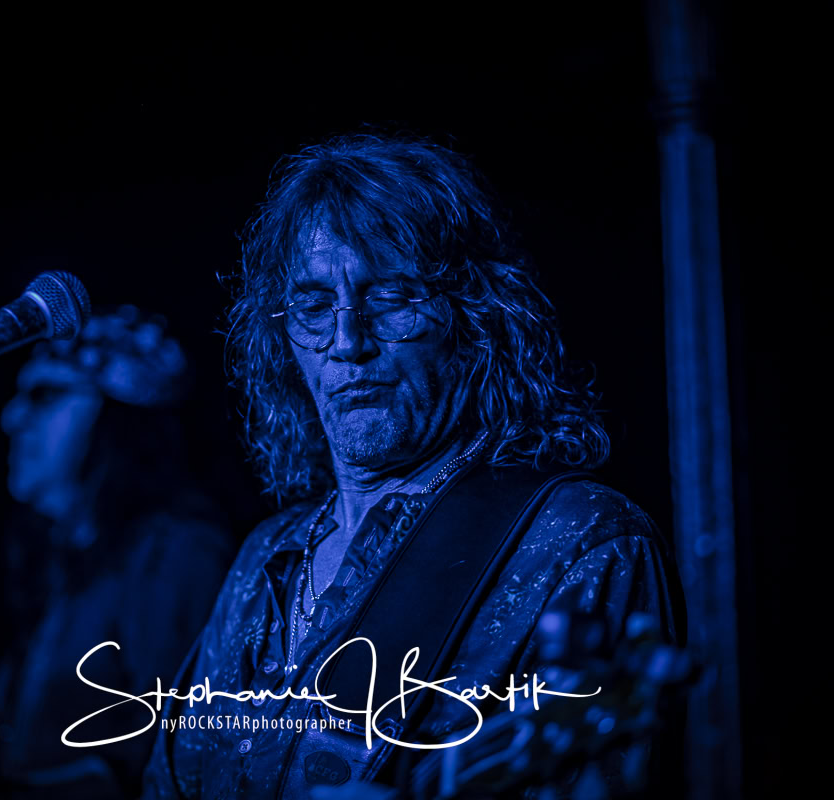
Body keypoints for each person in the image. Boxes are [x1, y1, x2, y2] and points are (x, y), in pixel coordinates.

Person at [141, 134, 685, 799]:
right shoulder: (265, 557)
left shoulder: (580, 542)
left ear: (476, 317)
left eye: (392, 296)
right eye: (313, 306)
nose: (348, 342)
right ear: (283, 337)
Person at [0, 307, 234, 798]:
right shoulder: (63, 561)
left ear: (117, 415)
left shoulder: (175, 552)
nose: (11, 418)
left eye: (46, 395)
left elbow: (176, 758)